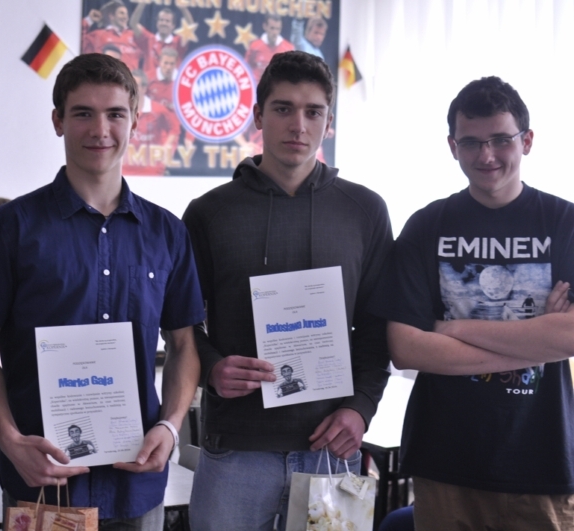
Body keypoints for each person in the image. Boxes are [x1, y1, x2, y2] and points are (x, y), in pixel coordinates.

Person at [0, 53, 204, 529]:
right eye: (83, 113)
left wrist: (170, 425)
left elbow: (184, 344)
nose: (100, 129)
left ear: (135, 121)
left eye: (115, 114)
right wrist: (11, 442)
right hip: (41, 480)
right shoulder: (11, 227)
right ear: (58, 121)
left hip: (135, 483)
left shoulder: (167, 232)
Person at [182, 51, 393, 531]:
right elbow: (179, 323)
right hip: (235, 450)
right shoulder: (209, 213)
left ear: (329, 122)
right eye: (283, 109)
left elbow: (378, 326)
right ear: (259, 116)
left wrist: (361, 408)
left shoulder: (365, 211)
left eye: (313, 112)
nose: (298, 125)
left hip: (331, 449)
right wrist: (211, 367)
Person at [373, 76, 574, 530]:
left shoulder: (564, 223)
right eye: (471, 142)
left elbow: (571, 338)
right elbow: (406, 348)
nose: (486, 156)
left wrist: (450, 328)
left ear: (526, 141)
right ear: (453, 146)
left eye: (501, 139)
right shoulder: (426, 226)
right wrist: (538, 339)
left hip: (543, 461)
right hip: (445, 463)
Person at [125, 69, 180, 176]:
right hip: (125, 170)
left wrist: (165, 151)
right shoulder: (120, 110)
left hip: (151, 171)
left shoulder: (158, 110)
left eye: (136, 85)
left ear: (144, 88)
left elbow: (175, 129)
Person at [128, 4, 193, 78]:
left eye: (167, 21)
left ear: (173, 25)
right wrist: (142, 4)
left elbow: (190, 27)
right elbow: (133, 23)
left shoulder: (178, 42)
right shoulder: (148, 39)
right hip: (149, 83)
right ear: (157, 23)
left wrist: (183, 9)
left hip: (171, 84)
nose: (164, 23)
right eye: (161, 20)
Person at [82, 0, 144, 72]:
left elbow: (150, 50)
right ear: (112, 16)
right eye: (121, 13)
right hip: (106, 76)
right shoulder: (99, 35)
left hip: (130, 78)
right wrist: (89, 20)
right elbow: (78, 40)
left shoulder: (135, 36)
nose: (125, 17)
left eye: (126, 14)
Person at [245, 14, 295, 82]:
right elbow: (246, 68)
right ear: (265, 26)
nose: (275, 32)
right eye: (272, 28)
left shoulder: (289, 49)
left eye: (278, 29)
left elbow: (291, 73)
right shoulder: (254, 46)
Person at [147, 47, 178, 112]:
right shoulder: (148, 78)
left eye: (172, 64)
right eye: (165, 63)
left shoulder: (181, 82)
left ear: (176, 64)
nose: (168, 67)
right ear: (160, 62)